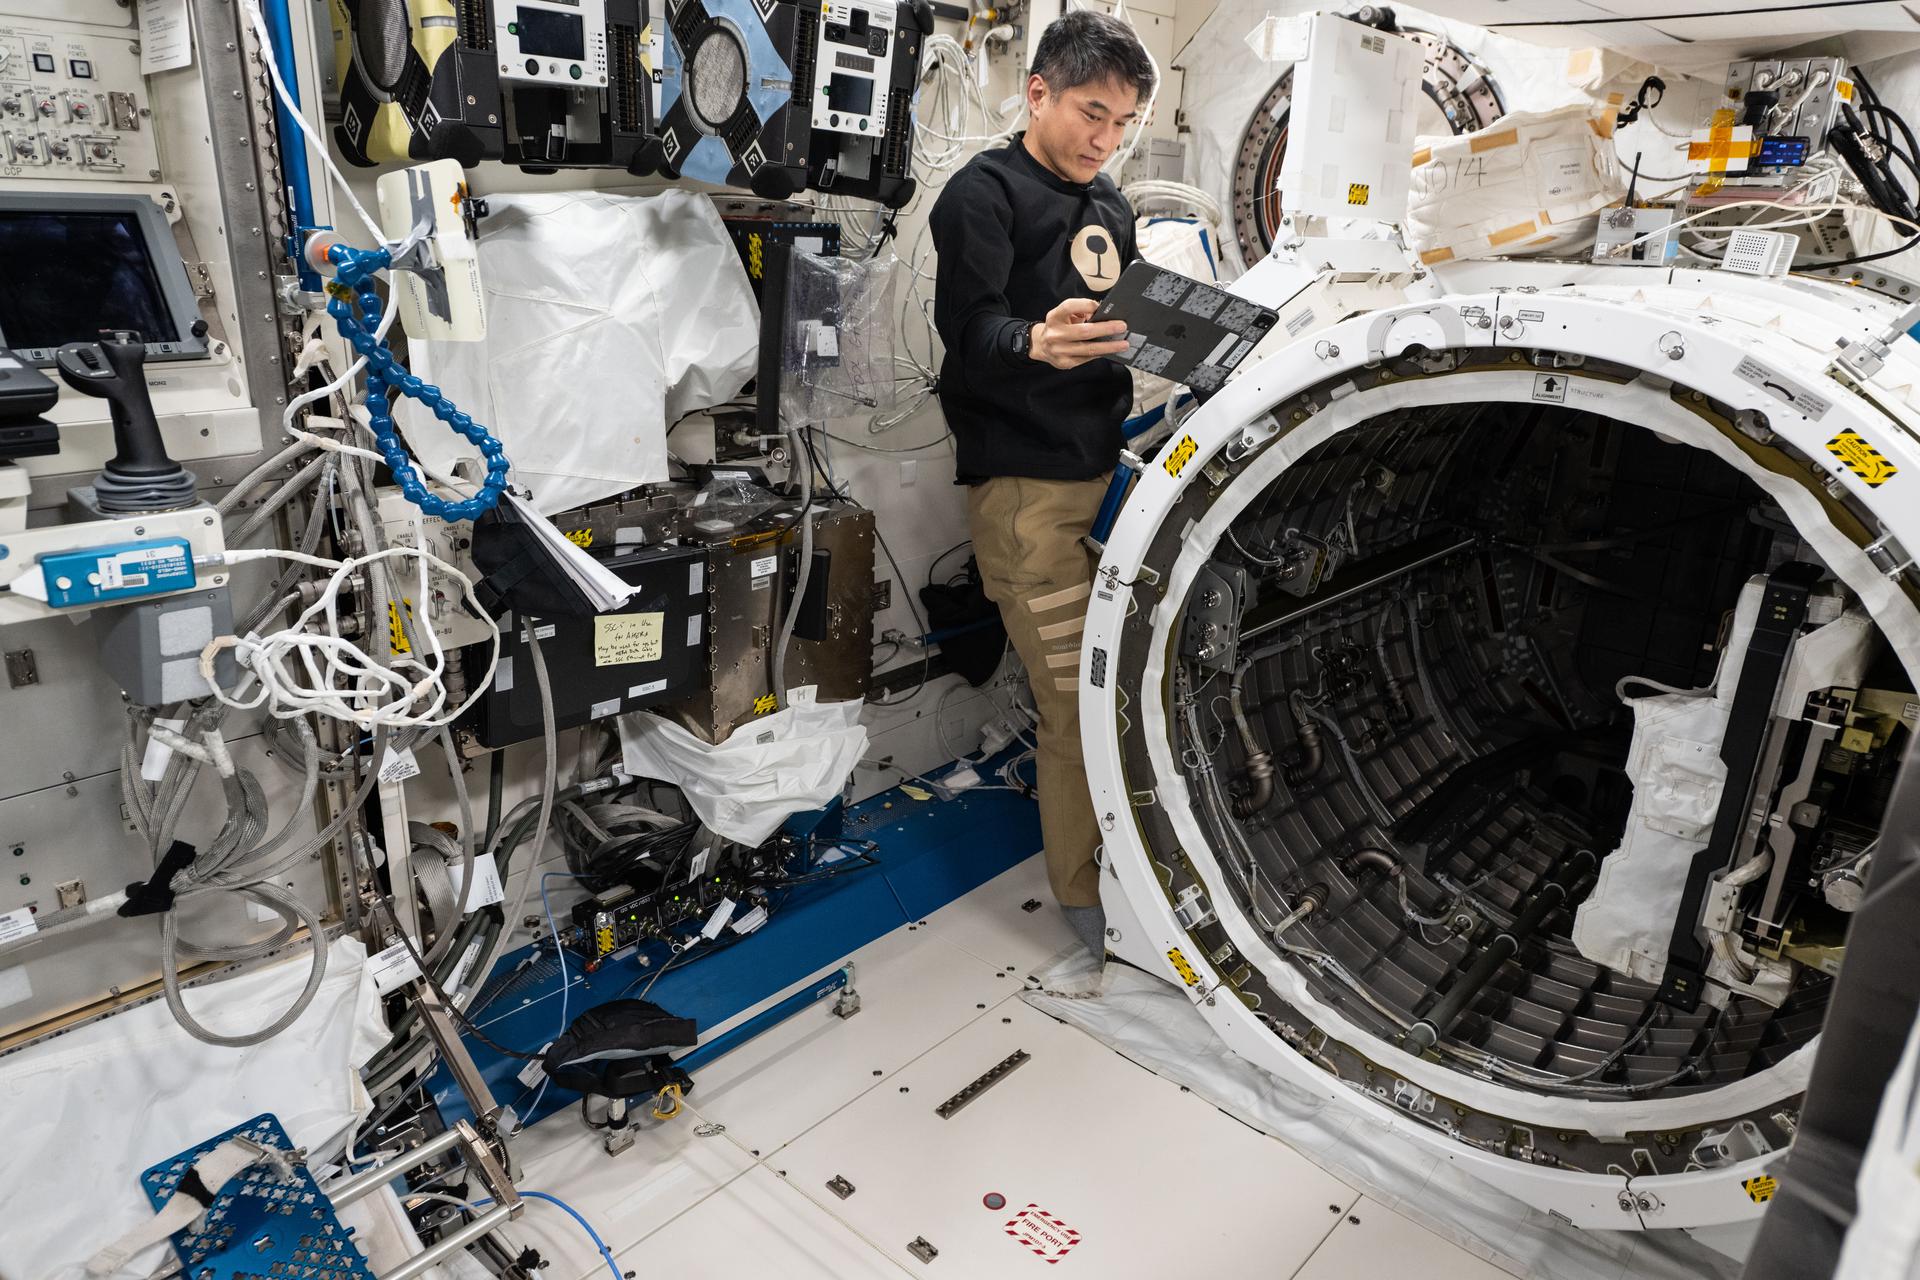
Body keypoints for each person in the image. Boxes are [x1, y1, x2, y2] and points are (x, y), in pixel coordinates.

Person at [928, 9, 1155, 961]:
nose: (1104, 139)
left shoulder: (1109, 203)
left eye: (1121, 124)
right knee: (1077, 702)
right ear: (1038, 94)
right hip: (1027, 498)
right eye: (1090, 113)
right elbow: (969, 333)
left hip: (1107, 475)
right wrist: (1034, 338)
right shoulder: (981, 194)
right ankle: (1089, 903)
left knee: (1132, 689)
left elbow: (1130, 314)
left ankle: (1141, 879)